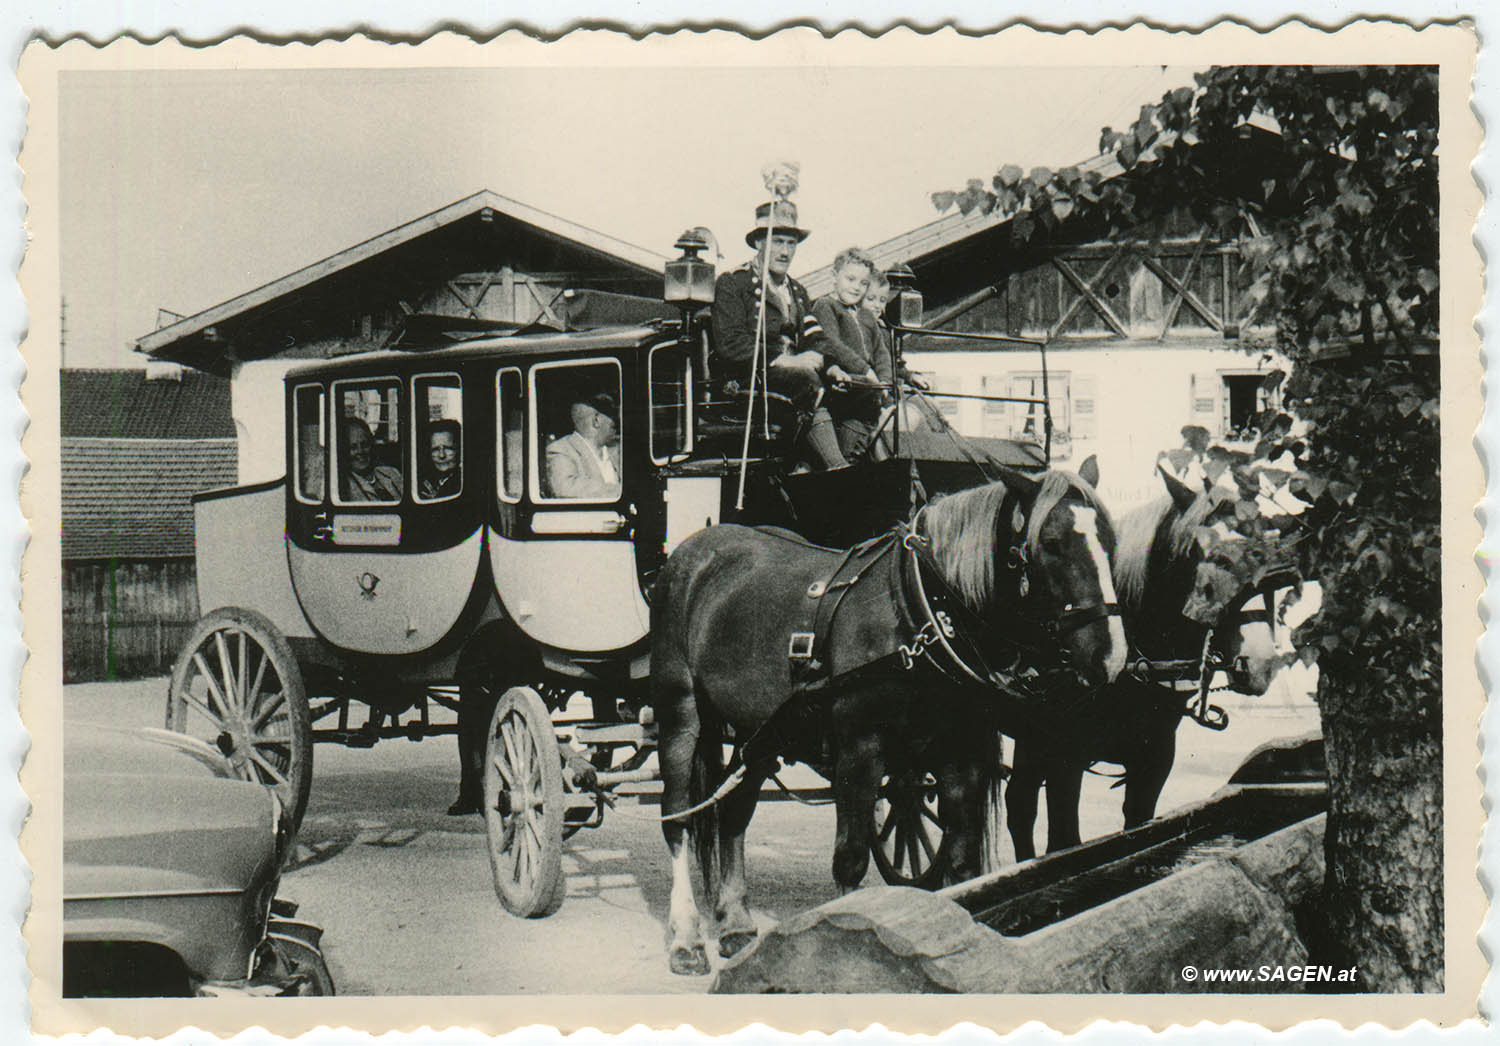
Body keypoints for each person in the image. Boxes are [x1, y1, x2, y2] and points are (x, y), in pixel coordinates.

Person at [710, 199, 848, 470]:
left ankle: (850, 464)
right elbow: (731, 344)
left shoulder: (797, 291)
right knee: (806, 379)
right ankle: (835, 467)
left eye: (791, 243)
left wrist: (831, 366)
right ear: (759, 243)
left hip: (792, 379)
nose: (785, 251)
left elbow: (814, 336)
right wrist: (787, 360)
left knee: (852, 388)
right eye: (778, 242)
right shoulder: (732, 284)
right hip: (748, 382)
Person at [813, 247, 886, 459]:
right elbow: (832, 344)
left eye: (863, 283)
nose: (856, 288)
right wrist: (866, 370)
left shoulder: (865, 315)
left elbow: (881, 352)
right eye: (850, 279)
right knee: (867, 401)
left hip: (865, 387)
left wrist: (885, 383)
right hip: (841, 382)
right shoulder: (826, 306)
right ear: (835, 276)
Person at [546, 392, 622, 499]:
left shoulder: (616, 450)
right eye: (613, 417)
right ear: (596, 420)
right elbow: (566, 488)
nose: (617, 422)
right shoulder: (560, 450)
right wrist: (622, 491)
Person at [342, 417, 402, 502]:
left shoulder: (391, 473)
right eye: (353, 447)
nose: (360, 451)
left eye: (364, 445)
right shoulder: (344, 486)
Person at [419, 419, 463, 499]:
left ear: (459, 449)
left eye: (448, 448)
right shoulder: (423, 483)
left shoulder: (464, 482)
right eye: (435, 449)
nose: (442, 455)